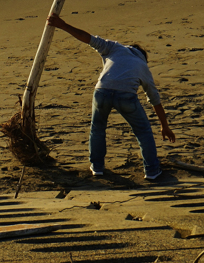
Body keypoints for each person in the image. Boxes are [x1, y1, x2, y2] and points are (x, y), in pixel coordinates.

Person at [46, 13, 175, 180]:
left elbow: (88, 39)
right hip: (126, 96)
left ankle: (97, 168)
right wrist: (164, 126)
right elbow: (155, 100)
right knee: (143, 132)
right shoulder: (143, 66)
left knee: (97, 129)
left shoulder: (115, 47)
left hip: (103, 90)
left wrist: (63, 25)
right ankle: (152, 171)